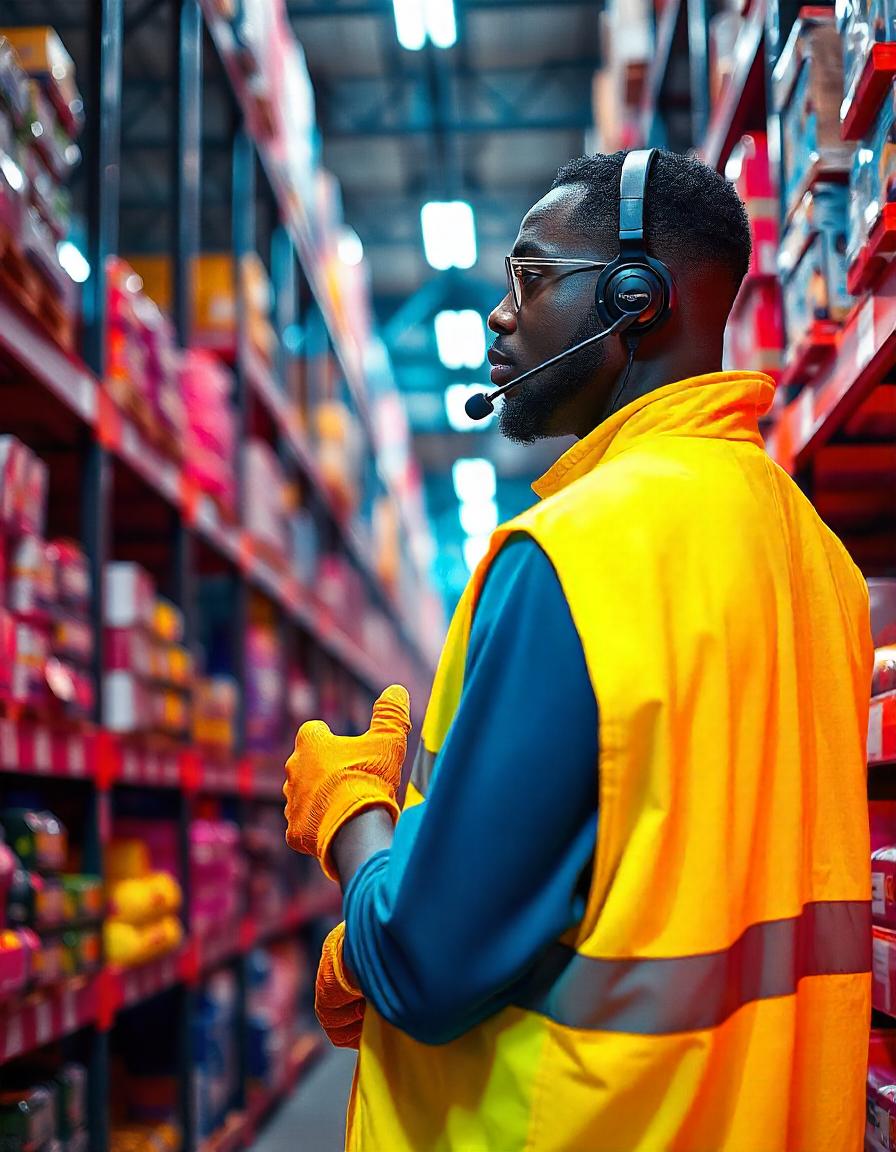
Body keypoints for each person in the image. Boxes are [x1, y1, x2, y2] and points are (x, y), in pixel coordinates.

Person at [282, 148, 873, 1152]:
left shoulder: (573, 556)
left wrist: (353, 820)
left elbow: (425, 969)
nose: (500, 317)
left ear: (635, 297)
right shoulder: (818, 561)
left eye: (531, 277)